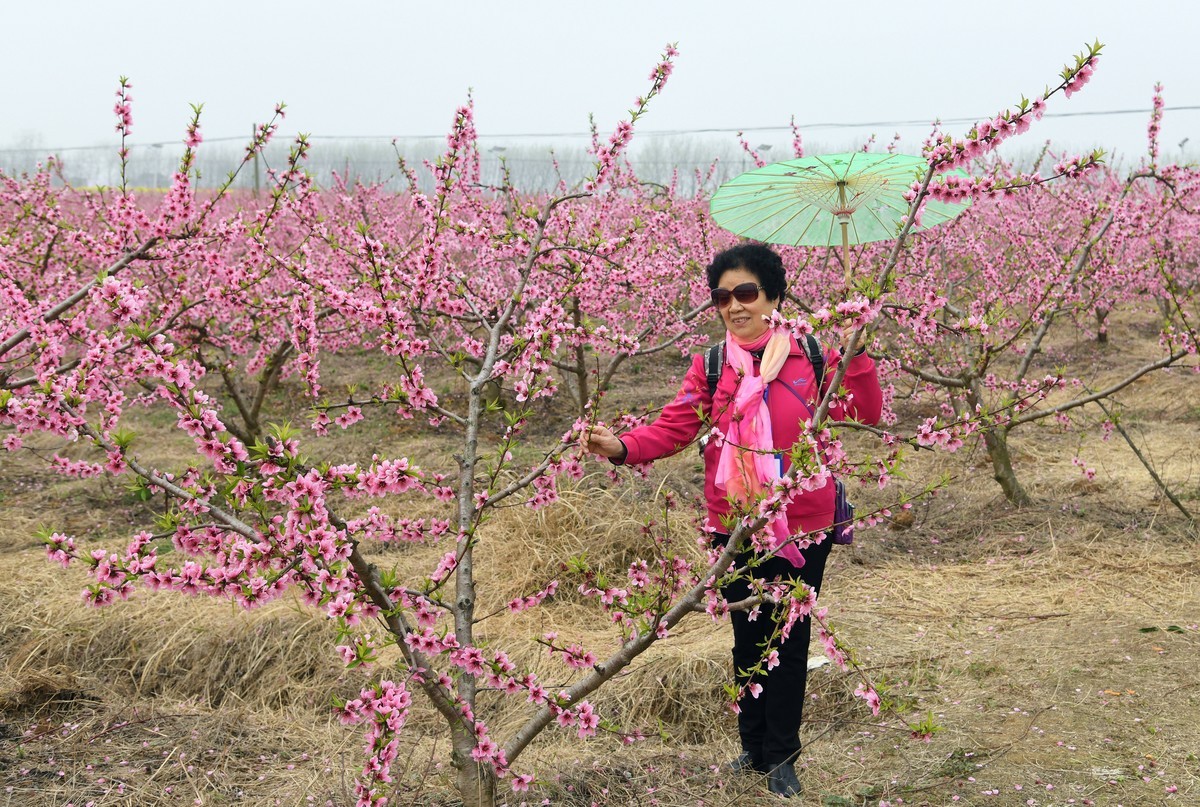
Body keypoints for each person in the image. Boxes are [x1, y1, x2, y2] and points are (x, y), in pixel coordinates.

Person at [584, 243, 882, 798]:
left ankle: (782, 756)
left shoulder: (812, 355)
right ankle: (752, 747)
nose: (734, 306)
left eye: (746, 293)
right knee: (747, 634)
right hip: (736, 522)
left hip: (803, 522)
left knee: (788, 636)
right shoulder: (713, 364)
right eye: (722, 297)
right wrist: (621, 446)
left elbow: (864, 413)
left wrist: (857, 353)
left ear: (774, 296)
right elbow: (675, 427)